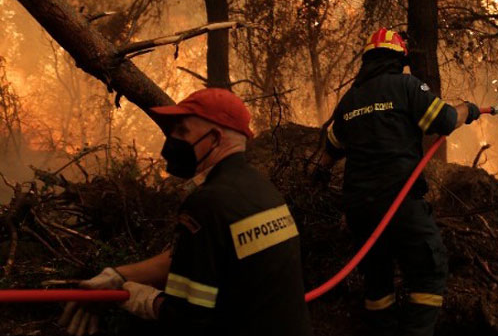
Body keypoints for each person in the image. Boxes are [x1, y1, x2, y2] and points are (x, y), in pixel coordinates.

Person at [59, 88, 313, 336]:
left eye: (182, 131)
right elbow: (199, 254)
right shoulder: (261, 189)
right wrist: (118, 275)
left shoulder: (208, 203)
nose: (172, 140)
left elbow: (186, 319)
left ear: (214, 139)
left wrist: (141, 299)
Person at [315, 28, 481, 336]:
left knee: (377, 281)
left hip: (359, 209)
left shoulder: (349, 100)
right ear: (398, 59)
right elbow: (444, 120)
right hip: (399, 202)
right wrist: (467, 110)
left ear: (367, 60)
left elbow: (332, 146)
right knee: (429, 273)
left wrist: (320, 173)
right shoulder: (405, 86)